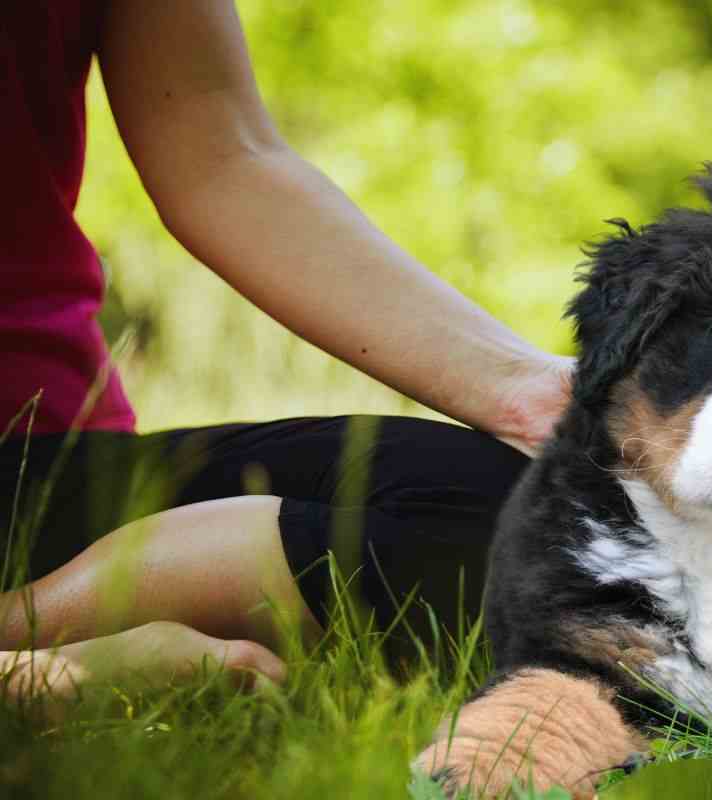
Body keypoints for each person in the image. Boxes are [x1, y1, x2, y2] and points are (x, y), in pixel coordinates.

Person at [1, 1, 571, 704]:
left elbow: (223, 154)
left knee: (529, 533)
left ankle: (36, 625)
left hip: (42, 463)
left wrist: (530, 392)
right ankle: (33, 677)